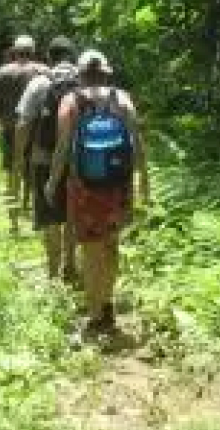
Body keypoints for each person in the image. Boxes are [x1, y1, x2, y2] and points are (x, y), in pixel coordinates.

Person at [45, 50, 149, 336]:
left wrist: (52, 182)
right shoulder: (122, 99)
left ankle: (95, 316)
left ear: (80, 74)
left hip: (84, 187)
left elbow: (63, 147)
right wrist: (145, 182)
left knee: (90, 250)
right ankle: (107, 304)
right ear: (106, 73)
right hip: (119, 185)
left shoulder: (71, 101)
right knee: (111, 245)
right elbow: (137, 144)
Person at [14, 36, 81, 284]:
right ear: (73, 57)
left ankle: (53, 273)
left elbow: (23, 123)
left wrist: (20, 157)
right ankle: (71, 265)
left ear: (49, 58)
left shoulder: (40, 83)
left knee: (50, 216)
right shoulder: (85, 83)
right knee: (72, 213)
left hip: (43, 159)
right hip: (78, 162)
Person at [0, 35, 45, 231]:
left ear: (14, 51)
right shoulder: (42, 71)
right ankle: (36, 213)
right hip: (37, 129)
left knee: (13, 170)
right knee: (35, 171)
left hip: (11, 129)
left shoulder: (3, 71)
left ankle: (13, 219)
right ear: (33, 51)